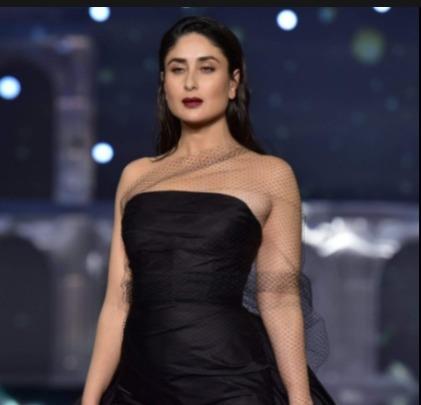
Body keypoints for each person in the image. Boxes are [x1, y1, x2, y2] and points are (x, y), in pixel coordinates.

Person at [78, 15, 336, 405]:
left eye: (207, 68)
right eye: (177, 69)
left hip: (231, 383)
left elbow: (280, 298)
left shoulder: (271, 175)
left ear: (233, 83)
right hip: (140, 386)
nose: (190, 83)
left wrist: (300, 399)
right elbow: (117, 302)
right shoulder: (136, 176)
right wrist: (90, 399)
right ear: (163, 83)